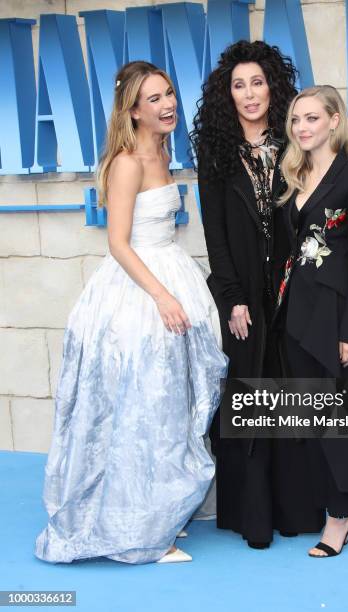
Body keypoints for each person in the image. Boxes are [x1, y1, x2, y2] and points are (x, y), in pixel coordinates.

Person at [35, 61, 227, 565]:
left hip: (170, 269)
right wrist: (163, 297)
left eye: (169, 94)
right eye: (154, 99)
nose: (167, 105)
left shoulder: (163, 150)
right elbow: (118, 243)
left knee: (166, 410)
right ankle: (141, 532)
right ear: (133, 110)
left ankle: (159, 511)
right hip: (137, 292)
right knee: (144, 411)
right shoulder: (126, 162)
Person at [190, 41, 325, 549]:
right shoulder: (216, 152)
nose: (250, 94)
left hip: (292, 290)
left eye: (258, 82)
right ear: (228, 94)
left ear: (274, 87)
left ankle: (296, 510)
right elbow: (215, 233)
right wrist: (231, 299)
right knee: (248, 397)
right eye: (238, 85)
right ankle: (253, 518)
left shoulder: (296, 143)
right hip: (243, 292)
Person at [275, 85, 348, 557]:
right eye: (296, 121)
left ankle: (341, 515)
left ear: (334, 121)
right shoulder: (293, 175)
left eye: (311, 118)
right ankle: (347, 503)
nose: (303, 128)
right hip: (296, 318)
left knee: (340, 420)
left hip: (336, 319)